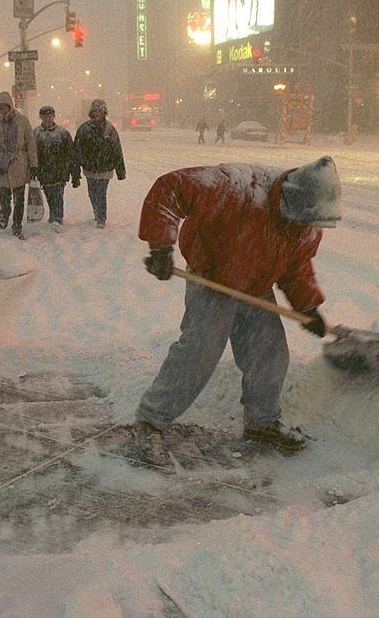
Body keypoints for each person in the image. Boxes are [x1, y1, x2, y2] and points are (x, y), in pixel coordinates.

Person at [134, 157, 343, 466]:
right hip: (211, 276)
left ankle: (262, 423)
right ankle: (150, 421)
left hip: (255, 284)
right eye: (302, 220)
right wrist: (160, 246)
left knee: (270, 352)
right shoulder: (236, 186)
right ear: (290, 197)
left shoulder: (305, 226)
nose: (305, 227)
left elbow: (297, 267)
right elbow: (170, 189)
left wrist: (308, 305)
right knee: (200, 351)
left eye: (309, 222)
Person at [0, 91, 38, 240]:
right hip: (0, 165)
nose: (2, 109)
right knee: (4, 198)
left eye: (4, 106)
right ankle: (5, 215)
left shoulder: (22, 121)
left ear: (10, 106)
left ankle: (17, 224)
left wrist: (33, 165)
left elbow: (30, 144)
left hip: (19, 164)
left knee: (19, 199)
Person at [72, 99, 125, 229]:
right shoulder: (84, 129)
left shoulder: (110, 129)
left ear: (104, 112)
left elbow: (117, 149)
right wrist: (75, 172)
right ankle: (97, 212)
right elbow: (77, 150)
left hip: (105, 168)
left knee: (101, 193)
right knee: (92, 192)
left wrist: (120, 170)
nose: (97, 114)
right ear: (91, 112)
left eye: (100, 111)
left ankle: (101, 218)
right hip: (89, 168)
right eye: (95, 111)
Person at [34, 105, 77, 227]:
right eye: (45, 116)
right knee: (49, 195)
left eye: (50, 116)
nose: (47, 119)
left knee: (58, 196)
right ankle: (53, 215)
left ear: (53, 117)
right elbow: (32, 154)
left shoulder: (63, 133)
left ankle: (57, 218)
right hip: (44, 172)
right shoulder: (36, 133)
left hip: (60, 172)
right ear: (41, 117)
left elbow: (70, 154)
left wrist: (73, 173)